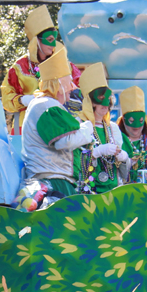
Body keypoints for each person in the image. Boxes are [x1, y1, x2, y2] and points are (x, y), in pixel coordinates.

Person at [20, 47, 94, 197]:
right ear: (59, 84)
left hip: (52, 181)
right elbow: (63, 142)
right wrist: (86, 130)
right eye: (69, 82)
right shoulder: (46, 105)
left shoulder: (44, 104)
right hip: (52, 182)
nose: (72, 88)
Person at [1, 6, 82, 135]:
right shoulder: (19, 68)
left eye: (54, 40)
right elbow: (6, 99)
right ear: (36, 41)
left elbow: (79, 90)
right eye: (49, 40)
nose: (54, 45)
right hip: (28, 126)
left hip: (59, 124)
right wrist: (23, 100)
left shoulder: (64, 65)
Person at [73, 63, 131, 194]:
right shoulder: (79, 125)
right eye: (100, 98)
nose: (105, 104)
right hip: (90, 193)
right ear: (90, 101)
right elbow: (73, 161)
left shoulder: (113, 129)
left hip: (113, 191)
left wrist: (123, 158)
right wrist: (95, 153)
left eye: (108, 99)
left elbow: (126, 172)